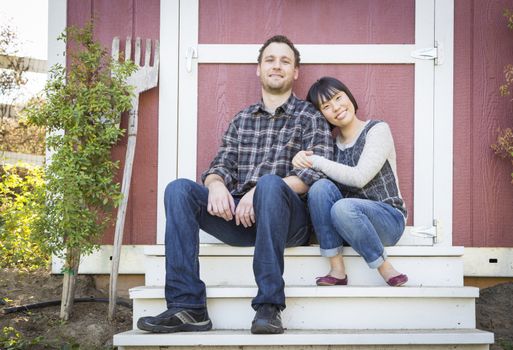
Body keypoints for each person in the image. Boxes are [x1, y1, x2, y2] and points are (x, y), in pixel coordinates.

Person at [137, 36, 333, 335]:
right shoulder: (242, 119)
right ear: (259, 69)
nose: (276, 66)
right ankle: (188, 308)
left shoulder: (310, 117)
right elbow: (221, 166)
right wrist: (215, 185)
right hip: (242, 218)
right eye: (270, 60)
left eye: (285, 61)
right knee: (178, 190)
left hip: (289, 221)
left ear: (295, 72)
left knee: (269, 184)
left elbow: (313, 176)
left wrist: (259, 191)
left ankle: (269, 306)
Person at [292, 77, 408, 287]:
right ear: (321, 116)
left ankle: (384, 267)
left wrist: (316, 161)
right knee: (319, 188)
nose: (336, 107)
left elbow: (359, 177)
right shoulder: (330, 147)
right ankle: (337, 269)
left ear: (349, 96)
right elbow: (318, 187)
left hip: (388, 220)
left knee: (343, 207)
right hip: (346, 225)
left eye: (338, 98)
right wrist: (299, 159)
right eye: (326, 106)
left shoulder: (377, 130)